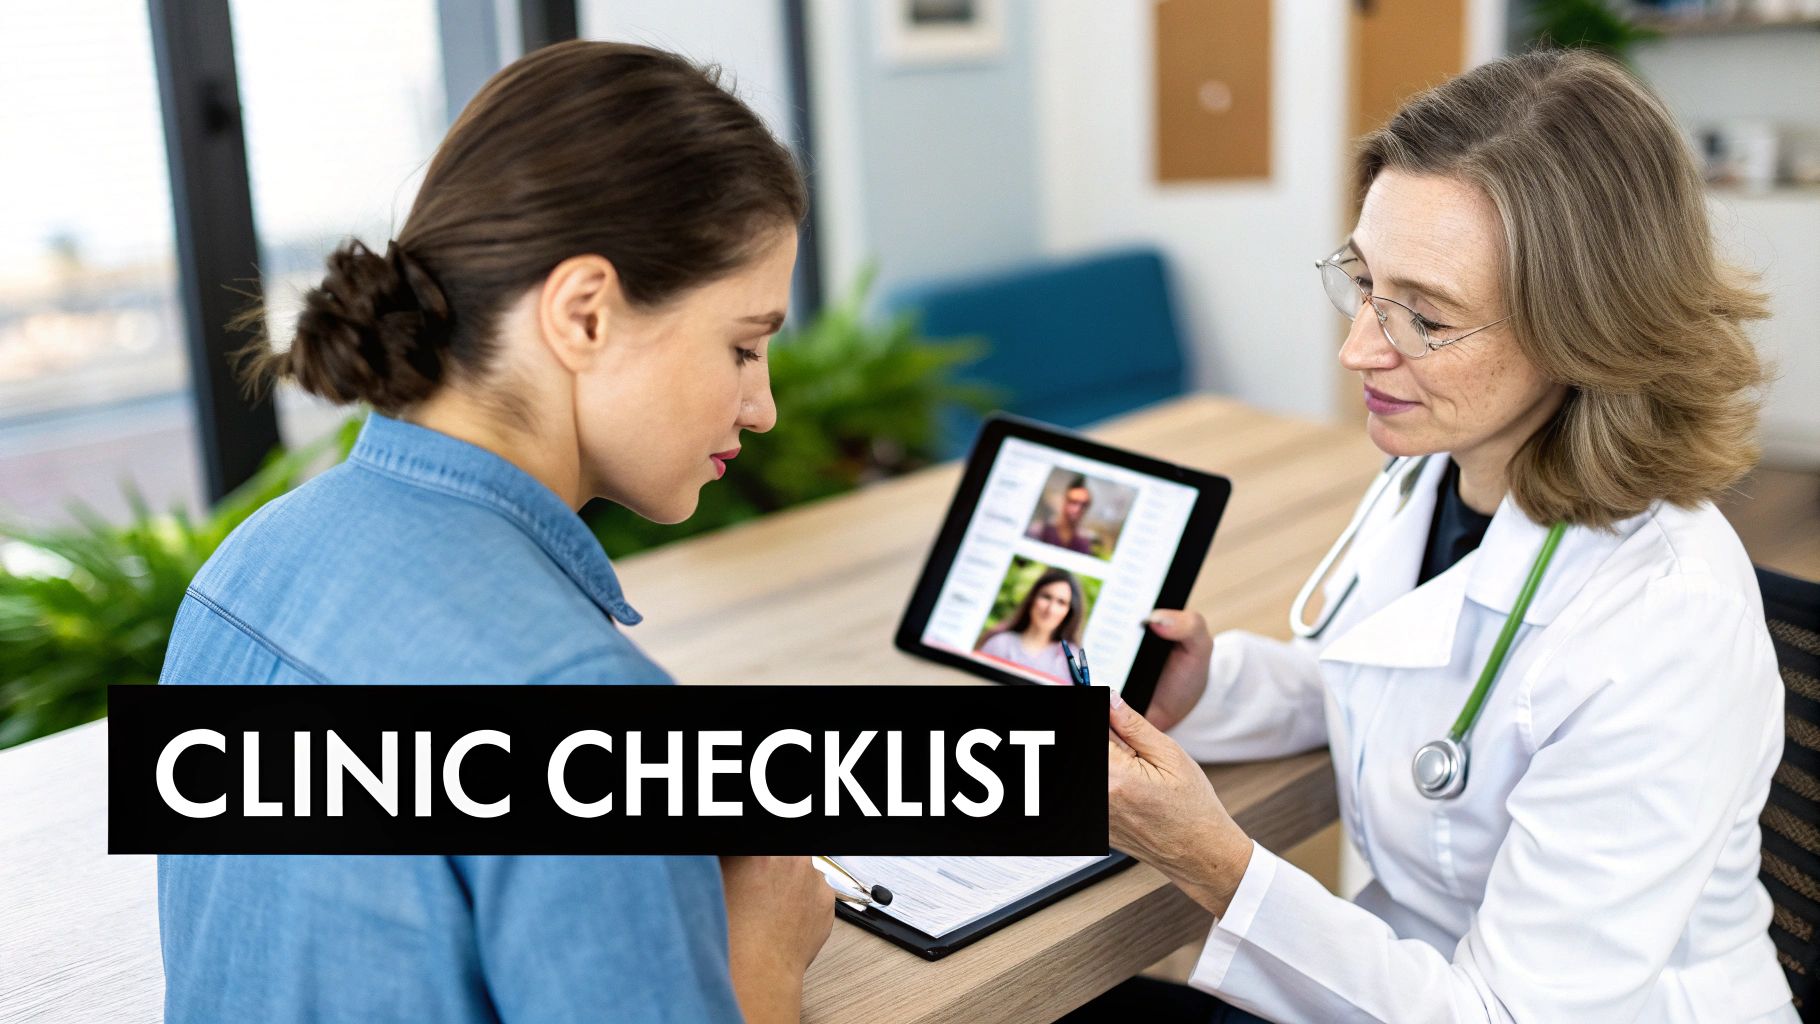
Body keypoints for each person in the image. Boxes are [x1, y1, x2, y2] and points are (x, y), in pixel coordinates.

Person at [1084, 50, 1794, 1022]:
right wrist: (1213, 689)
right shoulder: (1443, 465)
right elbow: (1390, 677)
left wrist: (1211, 861)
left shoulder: (1667, 624)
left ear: (1586, 327)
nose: (1356, 349)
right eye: (1363, 282)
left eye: (1422, 317)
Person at [156, 42, 832, 1023]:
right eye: (742, 346)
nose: (761, 406)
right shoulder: (571, 699)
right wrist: (765, 952)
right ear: (584, 314)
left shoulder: (242, 570)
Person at [976, 567, 1085, 682]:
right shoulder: (1000, 644)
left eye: (1061, 602)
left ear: (1069, 612)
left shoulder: (1072, 660)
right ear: (1032, 598)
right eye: (1046, 597)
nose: (1050, 609)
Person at [1027, 476, 1099, 555]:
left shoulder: (1085, 543)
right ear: (1064, 501)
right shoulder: (1039, 530)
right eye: (1073, 502)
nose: (1078, 509)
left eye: (1084, 505)